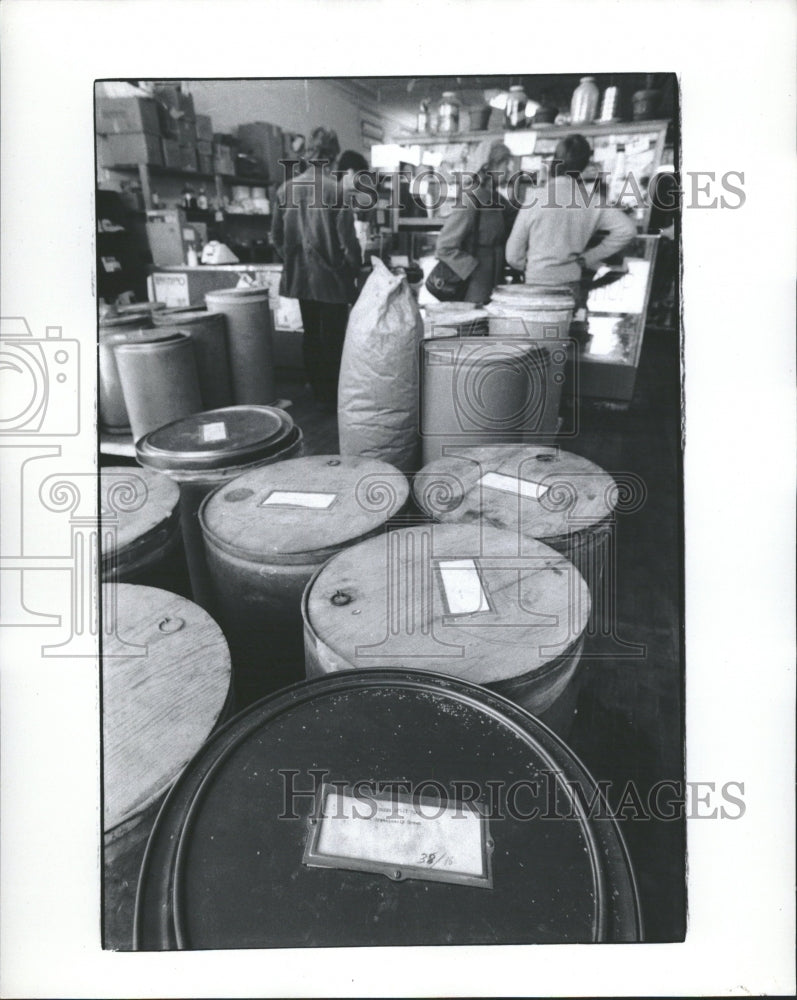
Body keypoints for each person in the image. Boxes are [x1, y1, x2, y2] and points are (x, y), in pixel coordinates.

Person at [271, 127, 362, 411]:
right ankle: (333, 396)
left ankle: (316, 391)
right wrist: (354, 267)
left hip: (300, 276)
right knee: (334, 337)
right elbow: (348, 242)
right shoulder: (336, 191)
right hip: (332, 278)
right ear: (333, 155)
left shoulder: (285, 189)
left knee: (310, 333)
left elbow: (275, 237)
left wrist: (293, 258)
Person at [504, 133, 636, 303]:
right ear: (584, 165)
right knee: (567, 328)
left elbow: (512, 255)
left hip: (536, 283)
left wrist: (532, 267)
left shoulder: (535, 198)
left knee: (537, 328)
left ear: (554, 162)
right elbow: (628, 230)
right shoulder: (592, 200)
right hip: (571, 283)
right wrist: (589, 258)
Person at [433, 140, 515, 304]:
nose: (509, 170)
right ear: (490, 166)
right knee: (474, 325)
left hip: (494, 279)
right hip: (475, 283)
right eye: (505, 164)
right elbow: (444, 247)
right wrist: (473, 269)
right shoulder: (471, 199)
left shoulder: (497, 199)